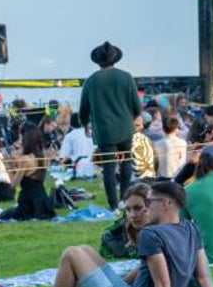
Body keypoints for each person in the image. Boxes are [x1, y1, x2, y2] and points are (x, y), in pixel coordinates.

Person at [41, 180, 213, 287]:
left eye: (148, 202)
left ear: (164, 204)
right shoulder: (190, 229)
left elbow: (163, 284)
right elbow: (203, 277)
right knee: (85, 250)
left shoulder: (151, 234)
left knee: (71, 253)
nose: (144, 209)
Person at [79, 41, 141, 209]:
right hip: (125, 127)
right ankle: (125, 200)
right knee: (126, 162)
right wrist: (135, 116)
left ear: (98, 61)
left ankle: (113, 204)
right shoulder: (126, 77)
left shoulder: (91, 81)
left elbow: (83, 107)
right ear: (115, 59)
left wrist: (84, 124)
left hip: (104, 129)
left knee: (108, 166)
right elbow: (136, 104)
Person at [4, 124, 54, 221]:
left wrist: (8, 167)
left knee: (3, 215)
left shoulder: (25, 159)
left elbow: (13, 184)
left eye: (21, 137)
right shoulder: (44, 155)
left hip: (27, 203)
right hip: (43, 201)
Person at [100, 181, 151, 259]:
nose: (132, 215)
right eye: (128, 209)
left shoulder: (165, 231)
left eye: (138, 208)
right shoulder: (117, 233)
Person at [155, 116, 187, 180]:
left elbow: (156, 163)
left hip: (162, 177)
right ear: (176, 128)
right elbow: (183, 162)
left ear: (163, 128)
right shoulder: (183, 143)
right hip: (178, 177)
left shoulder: (156, 144)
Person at [131, 114, 156, 180]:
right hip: (146, 176)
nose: (134, 127)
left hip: (141, 178)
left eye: (137, 125)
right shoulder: (146, 138)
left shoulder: (144, 139)